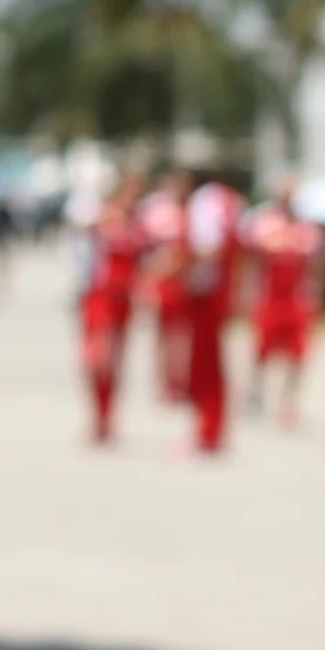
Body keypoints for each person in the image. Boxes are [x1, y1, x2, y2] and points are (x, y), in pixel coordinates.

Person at [241, 175, 325, 429]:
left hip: (297, 296)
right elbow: (251, 260)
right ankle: (257, 393)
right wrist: (246, 291)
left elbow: (317, 264)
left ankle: (289, 401)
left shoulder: (308, 228)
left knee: (298, 352)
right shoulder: (264, 222)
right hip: (270, 295)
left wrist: (319, 293)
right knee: (263, 348)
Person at [78, 172, 146, 444]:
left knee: (115, 363)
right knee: (97, 359)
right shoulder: (103, 219)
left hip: (124, 301)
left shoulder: (139, 227)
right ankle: (98, 413)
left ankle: (107, 419)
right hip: (101, 297)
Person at [185, 171, 245, 454]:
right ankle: (211, 428)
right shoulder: (231, 201)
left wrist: (178, 264)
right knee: (213, 367)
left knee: (205, 368)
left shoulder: (205, 201)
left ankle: (207, 430)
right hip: (220, 295)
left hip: (206, 295)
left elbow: (208, 247)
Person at [136, 168, 193, 403]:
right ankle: (164, 382)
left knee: (181, 336)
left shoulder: (189, 213)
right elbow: (146, 250)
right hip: (165, 281)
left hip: (183, 282)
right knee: (164, 336)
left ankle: (179, 381)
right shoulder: (157, 213)